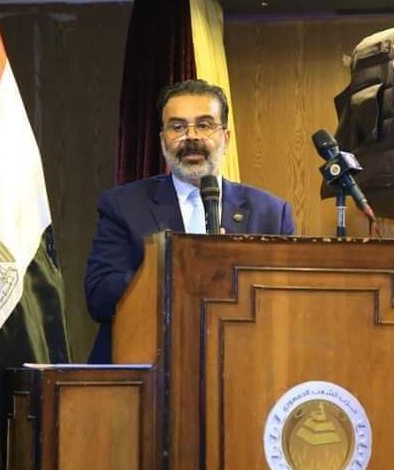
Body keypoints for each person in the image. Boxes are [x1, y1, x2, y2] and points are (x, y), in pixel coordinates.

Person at [84, 79, 295, 363]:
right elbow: (99, 298)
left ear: (226, 138)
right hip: (149, 366)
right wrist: (177, 269)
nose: (191, 137)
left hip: (240, 366)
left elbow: (287, 307)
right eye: (178, 127)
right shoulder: (123, 206)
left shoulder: (271, 213)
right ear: (163, 141)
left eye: (204, 125)